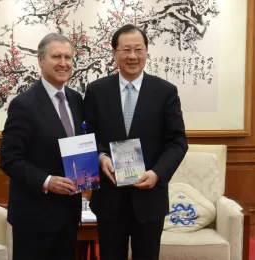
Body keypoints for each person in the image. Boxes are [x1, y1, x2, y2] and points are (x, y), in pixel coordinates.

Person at [84, 24, 188, 260]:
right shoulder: (96, 91)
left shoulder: (165, 92)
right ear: (114, 53)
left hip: (149, 199)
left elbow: (177, 142)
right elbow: (88, 136)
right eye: (126, 50)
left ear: (147, 51)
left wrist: (157, 173)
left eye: (138, 49)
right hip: (109, 200)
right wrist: (101, 157)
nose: (133, 56)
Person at [0, 33, 84, 260]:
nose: (63, 63)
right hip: (34, 216)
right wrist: (47, 181)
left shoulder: (77, 100)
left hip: (69, 213)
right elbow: (10, 159)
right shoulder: (23, 105)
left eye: (68, 57)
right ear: (41, 60)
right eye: (56, 56)